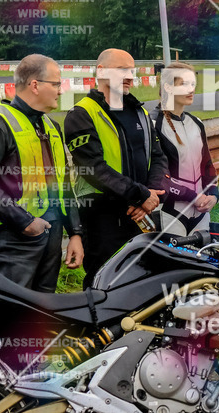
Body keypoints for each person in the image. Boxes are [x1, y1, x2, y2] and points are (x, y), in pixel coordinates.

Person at [0, 54, 83, 292]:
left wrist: (75, 233)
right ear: (35, 85)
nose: (61, 91)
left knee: (40, 314)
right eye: (56, 84)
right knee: (5, 315)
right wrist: (26, 221)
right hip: (13, 238)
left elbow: (63, 184)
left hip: (52, 235)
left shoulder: (51, 126)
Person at [64, 49, 167, 287]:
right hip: (103, 220)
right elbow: (95, 169)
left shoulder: (140, 111)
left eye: (132, 70)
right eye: (123, 70)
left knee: (142, 283)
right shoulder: (81, 114)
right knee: (104, 284)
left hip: (143, 217)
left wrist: (152, 195)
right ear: (101, 71)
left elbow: (158, 156)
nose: (130, 76)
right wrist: (141, 196)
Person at [150, 62, 219, 236]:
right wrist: (193, 196)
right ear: (168, 87)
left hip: (201, 212)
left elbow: (207, 165)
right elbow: (158, 176)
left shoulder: (196, 123)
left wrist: (213, 194)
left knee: (201, 262)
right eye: (184, 84)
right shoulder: (152, 124)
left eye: (193, 84)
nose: (191, 89)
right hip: (169, 212)